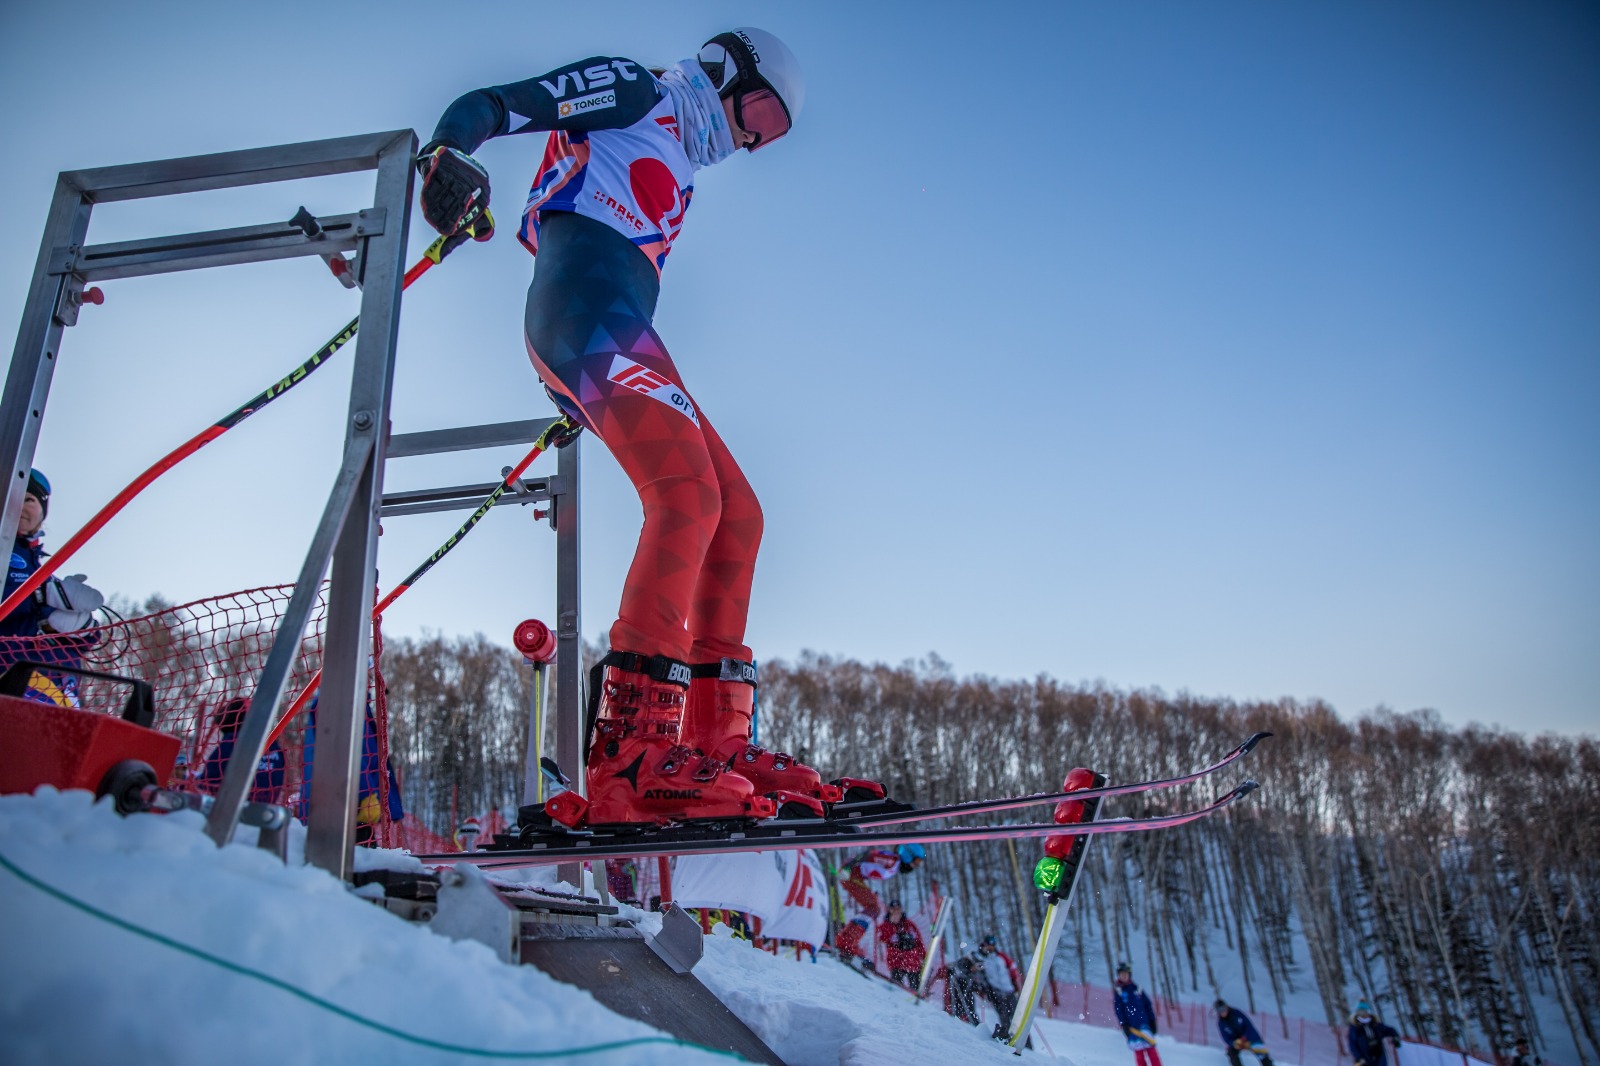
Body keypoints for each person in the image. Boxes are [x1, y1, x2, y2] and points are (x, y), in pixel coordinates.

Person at [416, 28, 885, 827]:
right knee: (686, 495)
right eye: (760, 115)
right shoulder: (639, 93)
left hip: (621, 335)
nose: (748, 140)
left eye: (769, 137)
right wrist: (450, 151)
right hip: (580, 319)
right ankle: (630, 757)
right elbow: (502, 103)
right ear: (726, 71)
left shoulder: (681, 169)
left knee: (738, 514)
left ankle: (716, 744)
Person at [0, 469, 104, 707]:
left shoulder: (42, 572)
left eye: (29, 499)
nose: (20, 505)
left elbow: (71, 645)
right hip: (14, 685)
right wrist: (37, 597)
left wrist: (84, 631)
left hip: (59, 697)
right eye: (12, 495)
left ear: (42, 510)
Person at [834, 845, 923, 963]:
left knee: (874, 908)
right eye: (916, 861)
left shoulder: (893, 865)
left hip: (855, 876)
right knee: (873, 908)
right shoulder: (892, 861)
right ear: (908, 855)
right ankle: (847, 941)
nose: (915, 866)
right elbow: (868, 854)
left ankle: (848, 940)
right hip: (850, 875)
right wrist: (847, 867)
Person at [196, 698, 286, 804]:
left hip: (230, 808)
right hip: (263, 811)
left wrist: (195, 780)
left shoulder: (232, 741)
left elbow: (209, 779)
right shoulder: (275, 746)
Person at [1114, 962, 1163, 1066]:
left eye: (1125, 973)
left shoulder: (1137, 989)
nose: (1124, 976)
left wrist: (1152, 1021)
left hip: (1145, 1025)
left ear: (1129, 974)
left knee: (1152, 1051)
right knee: (1139, 1054)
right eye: (1121, 974)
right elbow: (1119, 1011)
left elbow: (1148, 1005)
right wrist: (1124, 1025)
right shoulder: (1119, 992)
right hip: (1132, 1028)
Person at [976, 934, 1022, 1040]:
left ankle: (1024, 1042)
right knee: (1004, 1018)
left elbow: (1012, 968)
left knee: (1017, 1018)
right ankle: (1008, 1039)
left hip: (1009, 990)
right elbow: (979, 976)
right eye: (989, 944)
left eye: (993, 944)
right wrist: (984, 991)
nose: (991, 947)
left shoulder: (1001, 957)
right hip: (996, 992)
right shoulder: (981, 958)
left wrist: (1015, 985)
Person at [876, 899, 926, 989]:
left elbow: (918, 941)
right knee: (897, 987)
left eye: (898, 909)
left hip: (912, 961)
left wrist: (924, 957)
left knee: (916, 988)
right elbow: (880, 938)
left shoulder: (909, 925)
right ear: (889, 910)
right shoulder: (885, 926)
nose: (896, 912)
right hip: (896, 961)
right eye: (893, 909)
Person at [1216, 1000, 1275, 1066]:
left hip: (1251, 1038)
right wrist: (1233, 1043)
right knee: (1231, 1052)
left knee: (1262, 1054)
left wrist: (1245, 1037)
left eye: (1223, 1009)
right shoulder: (1221, 1023)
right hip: (1238, 1041)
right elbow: (1225, 1037)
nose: (1223, 1012)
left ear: (1226, 1007)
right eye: (1220, 1010)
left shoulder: (1236, 1013)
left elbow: (1249, 1026)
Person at [1347, 1002, 1400, 1066]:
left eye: (1365, 1012)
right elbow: (1352, 1044)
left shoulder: (1375, 1024)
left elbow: (1390, 1030)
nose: (1364, 1014)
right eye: (1361, 1012)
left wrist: (1395, 1037)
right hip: (1365, 1058)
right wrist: (1358, 1057)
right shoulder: (1355, 1028)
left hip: (1379, 1056)